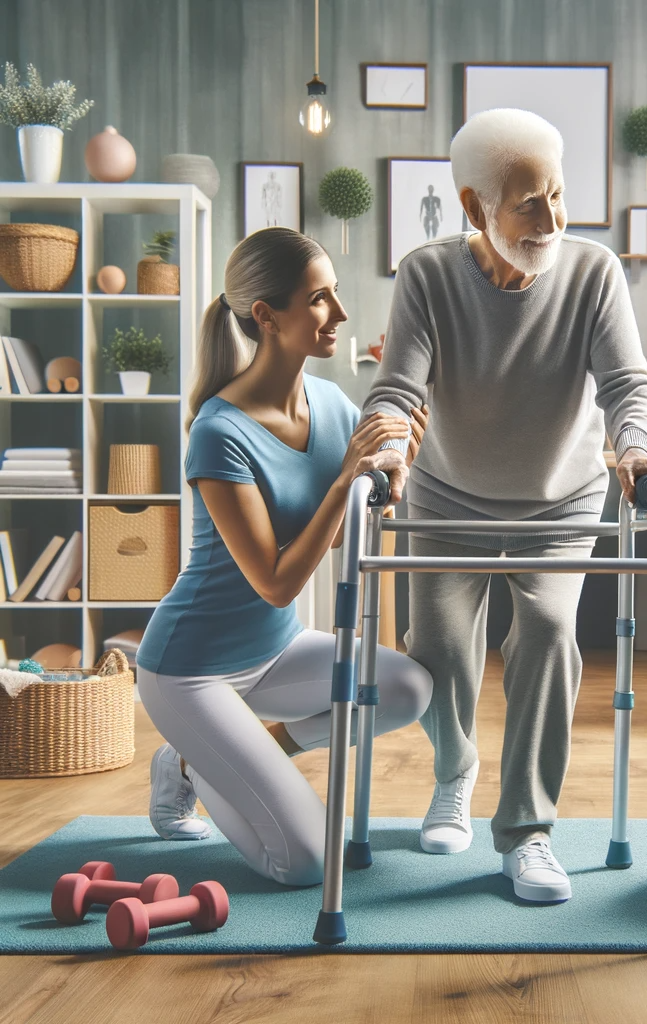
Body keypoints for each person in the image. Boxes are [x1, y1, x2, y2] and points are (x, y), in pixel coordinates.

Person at [362, 108, 647, 904]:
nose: (551, 220)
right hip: (445, 492)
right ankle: (454, 769)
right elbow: (398, 386)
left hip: (559, 500)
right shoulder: (429, 274)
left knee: (550, 631)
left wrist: (635, 444)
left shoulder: (593, 272)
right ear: (475, 208)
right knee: (436, 648)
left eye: (558, 197)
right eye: (528, 203)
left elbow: (629, 386)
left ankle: (527, 832)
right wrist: (389, 444)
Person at [135, 227, 433, 887]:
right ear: (266, 317)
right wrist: (342, 480)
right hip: (191, 671)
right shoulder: (219, 432)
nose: (341, 314)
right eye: (319, 299)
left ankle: (192, 761)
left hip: (273, 651)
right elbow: (274, 581)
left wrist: (393, 471)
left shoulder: (330, 403)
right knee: (303, 865)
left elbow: (333, 531)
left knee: (410, 689)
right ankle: (199, 757)